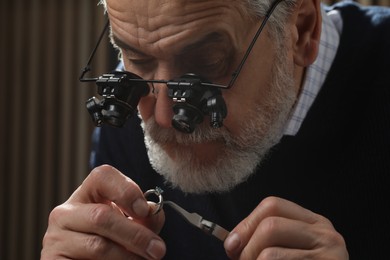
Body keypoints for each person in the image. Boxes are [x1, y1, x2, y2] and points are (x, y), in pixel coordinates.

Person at [41, 0, 390, 259]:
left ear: (300, 30)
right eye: (138, 60)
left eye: (206, 65)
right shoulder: (132, 106)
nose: (163, 117)